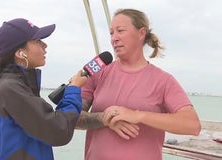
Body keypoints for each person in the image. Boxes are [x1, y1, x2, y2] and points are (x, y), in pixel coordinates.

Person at [76, 8, 201, 160]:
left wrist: (137, 115)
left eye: (120, 31)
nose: (114, 38)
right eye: (111, 33)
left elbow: (192, 125)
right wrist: (104, 119)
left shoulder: (163, 80)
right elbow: (72, 119)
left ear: (141, 33)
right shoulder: (98, 72)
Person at [0, 18, 87, 160]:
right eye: (38, 41)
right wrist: (73, 90)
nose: (45, 45)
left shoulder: (12, 84)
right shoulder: (11, 88)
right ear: (20, 53)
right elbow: (59, 130)